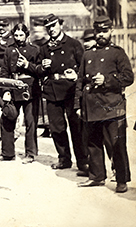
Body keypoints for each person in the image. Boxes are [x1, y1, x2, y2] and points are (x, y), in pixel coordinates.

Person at [75, 16, 133, 194]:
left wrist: (107, 80)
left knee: (117, 145)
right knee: (92, 143)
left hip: (112, 107)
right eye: (98, 31)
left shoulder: (117, 53)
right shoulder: (88, 54)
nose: (101, 35)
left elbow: (129, 77)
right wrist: (77, 105)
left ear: (111, 31)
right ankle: (97, 176)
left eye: (104, 31)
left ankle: (121, 180)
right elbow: (79, 81)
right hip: (91, 107)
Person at [35, 13, 88, 172]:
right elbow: (37, 70)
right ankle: (64, 159)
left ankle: (83, 161)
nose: (51, 29)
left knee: (76, 127)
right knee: (56, 128)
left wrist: (76, 74)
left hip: (71, 91)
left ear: (60, 25)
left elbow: (85, 67)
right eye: (48, 27)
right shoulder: (44, 48)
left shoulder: (73, 44)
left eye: (53, 26)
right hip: (52, 91)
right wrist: (42, 68)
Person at [0, 23, 41, 163]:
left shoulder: (35, 50)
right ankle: (7, 153)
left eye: (21, 35)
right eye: (16, 35)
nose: (18, 38)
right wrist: (6, 90)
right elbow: (4, 71)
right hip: (13, 87)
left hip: (30, 88)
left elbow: (40, 70)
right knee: (7, 117)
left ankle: (30, 153)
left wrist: (28, 65)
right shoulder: (9, 50)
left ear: (27, 35)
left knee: (30, 121)